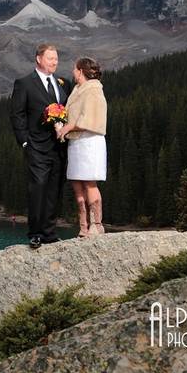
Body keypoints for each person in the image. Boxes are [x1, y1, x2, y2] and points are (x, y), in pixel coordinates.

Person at [10, 44, 74, 250]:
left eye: (56, 59)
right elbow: (17, 114)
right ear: (39, 59)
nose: (54, 62)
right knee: (37, 188)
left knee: (54, 189)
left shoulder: (63, 83)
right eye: (50, 59)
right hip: (36, 146)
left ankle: (49, 233)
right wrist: (24, 141)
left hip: (59, 146)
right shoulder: (24, 83)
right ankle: (35, 233)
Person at [57, 57, 108, 238]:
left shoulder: (93, 90)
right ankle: (83, 225)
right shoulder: (77, 89)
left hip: (89, 140)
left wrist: (69, 126)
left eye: (74, 68)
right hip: (76, 142)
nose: (72, 72)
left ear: (80, 70)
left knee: (89, 182)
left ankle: (97, 224)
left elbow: (91, 118)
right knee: (77, 183)